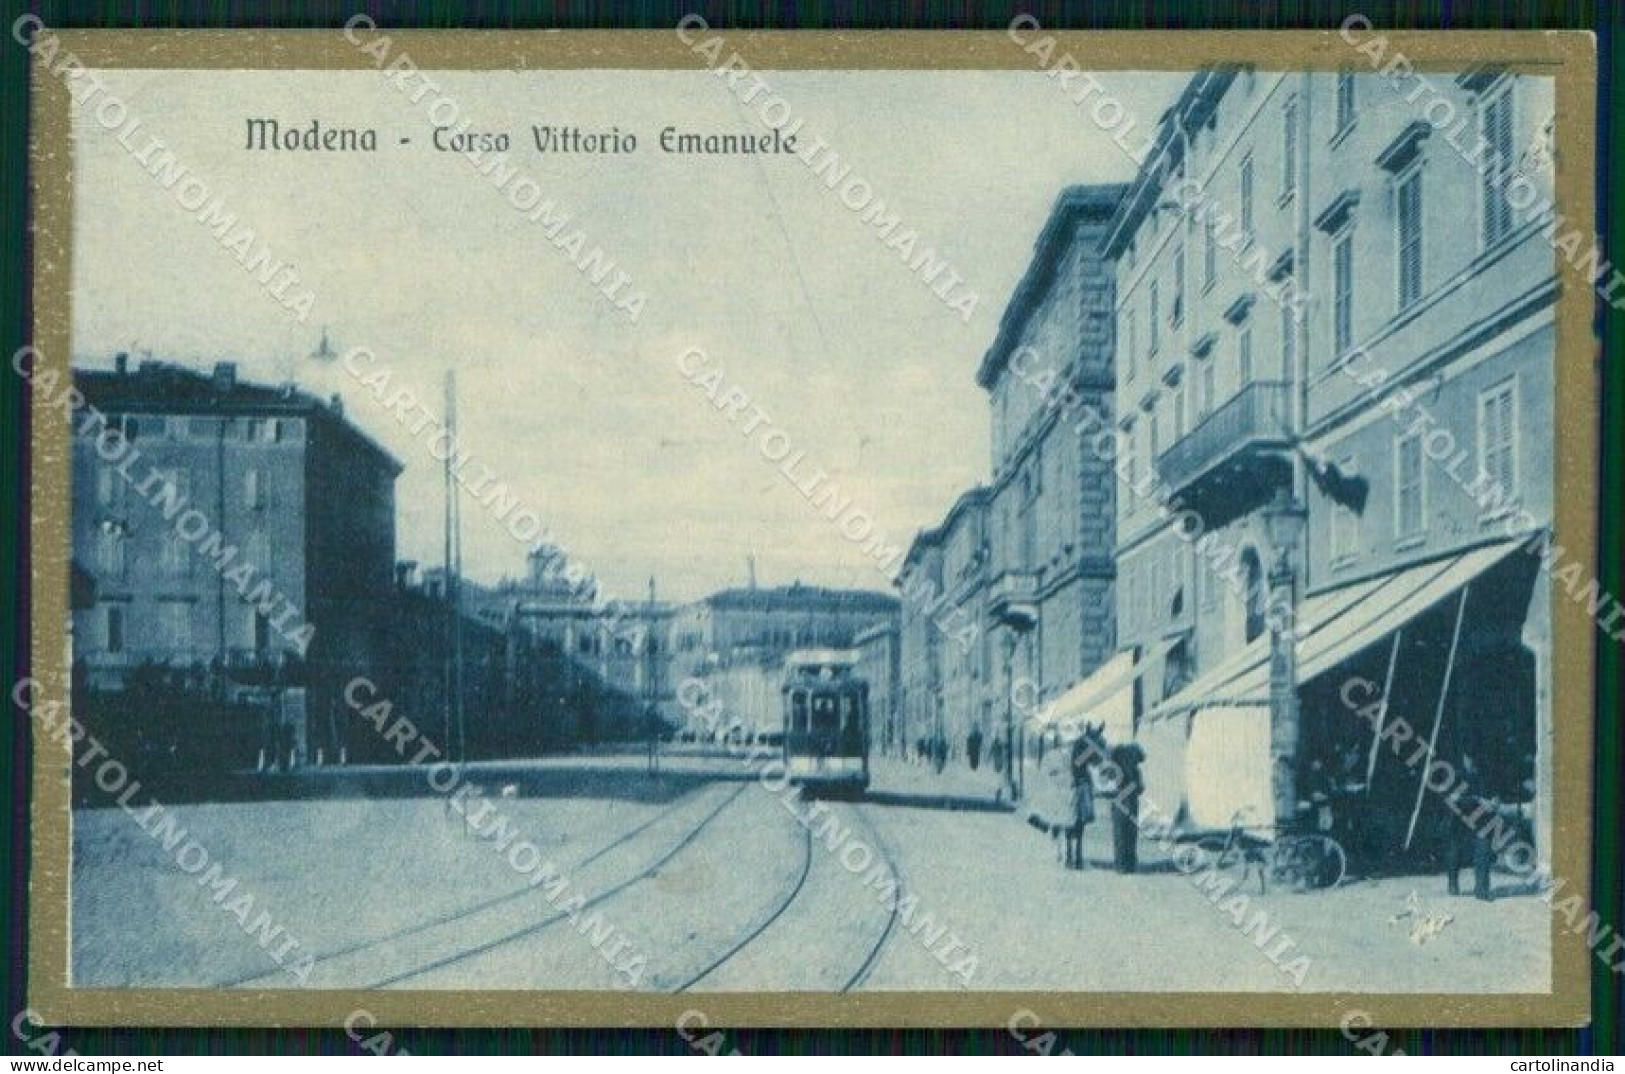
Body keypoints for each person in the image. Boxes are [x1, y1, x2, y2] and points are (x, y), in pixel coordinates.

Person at [1445, 752, 1496, 901]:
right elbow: (1452, 800)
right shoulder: (1455, 776)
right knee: (1454, 854)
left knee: (1483, 851)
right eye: (1471, 759)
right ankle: (1453, 883)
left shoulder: (1486, 775)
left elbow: (1496, 794)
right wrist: (1478, 800)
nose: (1473, 763)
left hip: (1482, 820)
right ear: (1465, 758)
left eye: (1476, 759)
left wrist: (1494, 802)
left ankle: (1482, 890)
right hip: (1459, 820)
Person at [1065, 725, 1101, 871]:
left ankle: (1076, 857)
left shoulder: (1083, 744)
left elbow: (1094, 761)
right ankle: (1071, 856)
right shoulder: (1080, 745)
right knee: (1073, 821)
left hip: (1082, 785)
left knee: (1079, 823)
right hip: (1078, 787)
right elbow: (1079, 762)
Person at [1108, 741, 1146, 874]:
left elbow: (1111, 787)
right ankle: (1130, 865)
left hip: (1119, 805)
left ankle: (1120, 865)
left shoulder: (1116, 770)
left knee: (1120, 835)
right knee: (1130, 835)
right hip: (1131, 804)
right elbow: (1141, 788)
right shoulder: (1135, 771)